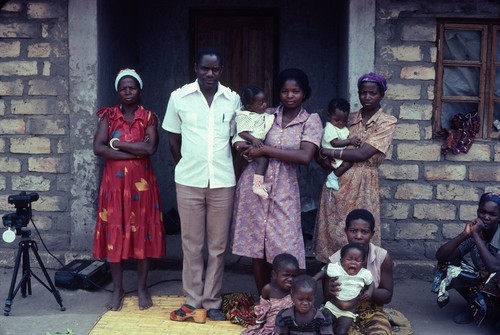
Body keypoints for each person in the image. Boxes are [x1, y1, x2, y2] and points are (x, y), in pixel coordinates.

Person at [162, 47, 241, 322]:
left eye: (215, 69)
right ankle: (192, 300)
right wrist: (185, 166)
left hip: (222, 182)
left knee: (218, 247)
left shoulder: (232, 99)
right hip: (188, 181)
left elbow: (237, 141)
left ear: (221, 70)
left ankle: (212, 301)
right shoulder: (179, 97)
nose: (210, 73)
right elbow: (173, 140)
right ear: (196, 68)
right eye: (205, 68)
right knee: (191, 245)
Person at [231, 68, 323, 295]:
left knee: (288, 245)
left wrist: (265, 150)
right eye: (285, 91)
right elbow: (241, 136)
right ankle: (266, 301)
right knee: (258, 246)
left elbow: (304, 156)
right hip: (256, 185)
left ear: (305, 93)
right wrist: (243, 147)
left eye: (296, 91)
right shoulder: (267, 115)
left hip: (285, 189)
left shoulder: (310, 121)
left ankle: (294, 302)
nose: (290, 96)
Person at [92, 68, 165, 311]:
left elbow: (150, 149)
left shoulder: (148, 117)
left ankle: (142, 287)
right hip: (114, 187)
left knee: (141, 232)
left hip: (141, 188)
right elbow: (98, 148)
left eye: (132, 87)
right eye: (123, 88)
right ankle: (118, 288)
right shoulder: (108, 115)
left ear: (140, 90)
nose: (128, 91)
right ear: (117, 91)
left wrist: (118, 144)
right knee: (115, 233)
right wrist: (133, 150)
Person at [313, 72, 397, 263]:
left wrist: (331, 153)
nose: (367, 97)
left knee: (360, 232)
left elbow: (362, 154)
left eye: (373, 93)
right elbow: (323, 144)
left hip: (364, 184)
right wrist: (324, 156)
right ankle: (332, 277)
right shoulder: (347, 118)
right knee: (335, 231)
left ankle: (361, 282)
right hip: (338, 180)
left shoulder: (386, 122)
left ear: (382, 94)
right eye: (363, 92)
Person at [434, 192, 500, 326]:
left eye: (492, 214)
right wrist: (465, 234)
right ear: (477, 212)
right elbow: (441, 256)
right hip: (483, 281)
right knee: (446, 264)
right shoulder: (475, 231)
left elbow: (495, 268)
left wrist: (475, 235)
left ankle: (494, 312)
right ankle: (477, 307)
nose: (486, 217)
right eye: (483, 212)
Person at [324, 209, 393, 335]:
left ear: (372, 234)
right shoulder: (334, 260)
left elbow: (387, 296)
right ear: (346, 232)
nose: (358, 236)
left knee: (380, 332)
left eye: (364, 232)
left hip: (372, 309)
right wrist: (331, 290)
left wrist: (367, 290)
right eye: (353, 231)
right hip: (340, 310)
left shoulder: (382, 257)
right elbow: (326, 295)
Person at [315, 243, 374, 335]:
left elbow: (371, 283)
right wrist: (314, 279)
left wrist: (369, 291)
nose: (353, 262)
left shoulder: (364, 274)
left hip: (348, 312)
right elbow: (325, 272)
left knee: (341, 331)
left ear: (363, 263)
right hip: (332, 307)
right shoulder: (337, 269)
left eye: (357, 260)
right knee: (324, 324)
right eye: (349, 259)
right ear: (341, 261)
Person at [232, 85, 274, 199]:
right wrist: (253, 140)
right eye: (261, 103)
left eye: (265, 101)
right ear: (250, 107)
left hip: (252, 144)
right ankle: (258, 186)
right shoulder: (245, 116)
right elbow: (241, 132)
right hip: (245, 141)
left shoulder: (262, 114)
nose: (265, 104)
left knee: (254, 161)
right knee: (262, 161)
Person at [242, 253, 299, 335]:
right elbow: (263, 310)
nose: (290, 279)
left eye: (294, 276)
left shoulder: (297, 290)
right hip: (271, 329)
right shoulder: (268, 289)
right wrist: (260, 324)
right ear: (274, 275)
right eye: (286, 275)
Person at [321, 99, 361, 190]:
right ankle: (333, 177)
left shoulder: (342, 128)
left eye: (344, 121)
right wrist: (350, 141)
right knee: (347, 163)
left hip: (339, 153)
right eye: (337, 120)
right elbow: (334, 143)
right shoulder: (329, 128)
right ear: (329, 115)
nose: (340, 123)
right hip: (332, 153)